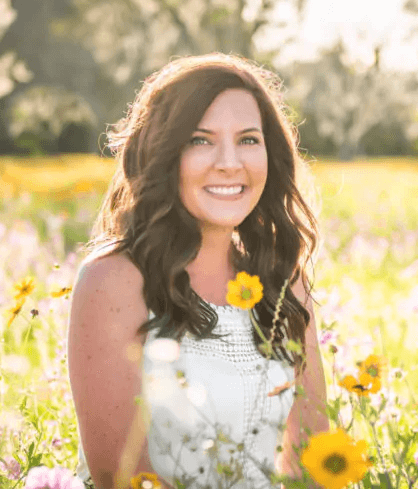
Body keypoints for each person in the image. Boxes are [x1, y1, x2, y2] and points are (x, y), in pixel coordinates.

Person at [67, 52, 329, 489]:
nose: (230, 162)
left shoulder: (285, 282)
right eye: (200, 140)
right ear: (163, 152)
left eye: (248, 139)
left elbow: (314, 460)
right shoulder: (113, 280)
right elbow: (123, 475)